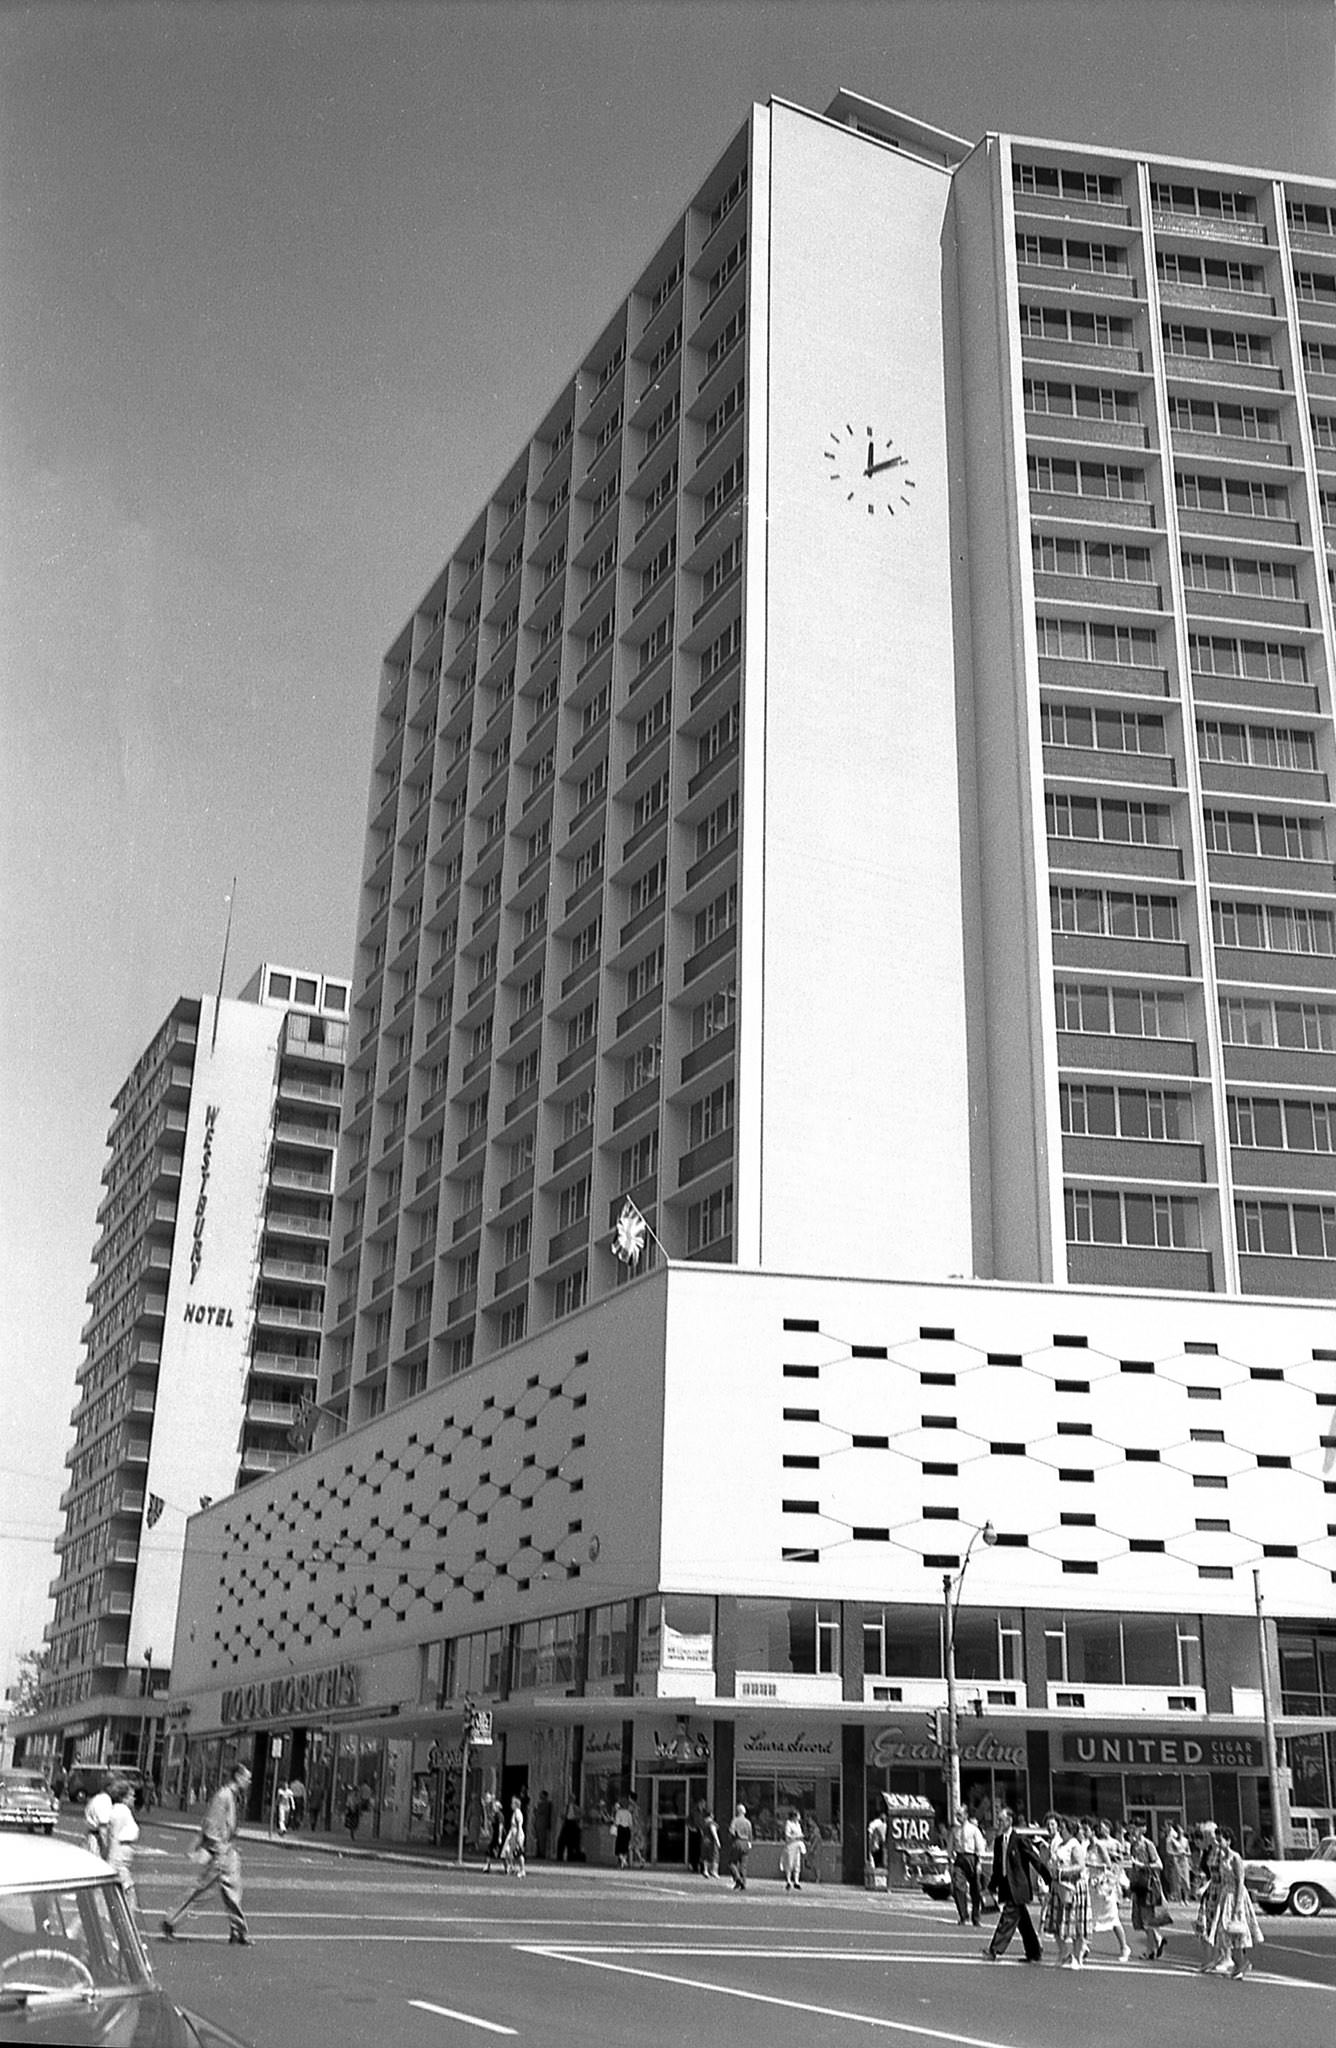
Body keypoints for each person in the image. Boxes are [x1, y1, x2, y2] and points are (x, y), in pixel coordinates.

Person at [162, 1761, 253, 1946]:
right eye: (247, 1778)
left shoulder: (234, 1796)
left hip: (229, 1850)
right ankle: (171, 1921)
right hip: (221, 1850)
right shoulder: (223, 1796)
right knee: (203, 1890)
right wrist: (218, 1846)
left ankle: (238, 1931)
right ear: (238, 1777)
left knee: (233, 1891)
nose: (249, 1782)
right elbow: (211, 1823)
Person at [1198, 1825, 1263, 1979]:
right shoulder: (1221, 1857)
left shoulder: (1235, 1858)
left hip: (1235, 1894)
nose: (1218, 1843)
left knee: (1235, 1930)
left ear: (1228, 1841)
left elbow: (1240, 1881)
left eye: (1221, 1840)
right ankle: (1237, 1962)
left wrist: (1237, 1904)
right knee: (1224, 1931)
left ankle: (1241, 1963)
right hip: (1224, 1894)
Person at [985, 1808, 1049, 1962]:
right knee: (1023, 1921)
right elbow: (997, 1866)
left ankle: (994, 1950)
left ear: (1009, 1821)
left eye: (1001, 1820)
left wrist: (1048, 1878)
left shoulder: (1020, 1840)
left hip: (1018, 1886)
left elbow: (1034, 1859)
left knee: (1008, 1917)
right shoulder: (999, 1841)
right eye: (998, 1820)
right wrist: (992, 1886)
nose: (999, 1823)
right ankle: (1034, 1952)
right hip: (1006, 1885)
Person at [1044, 1815, 1091, 1968]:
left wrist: (1063, 1872)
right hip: (1058, 1886)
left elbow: (1080, 1865)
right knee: (1056, 1921)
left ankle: (1077, 1957)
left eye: (1062, 1827)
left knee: (1076, 1923)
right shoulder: (1059, 1845)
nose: (1060, 1829)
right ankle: (1063, 1952)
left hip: (1073, 1887)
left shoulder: (1074, 1844)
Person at [1084, 1820, 1132, 1963]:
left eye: (1086, 1830)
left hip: (1103, 1885)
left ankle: (1124, 1947)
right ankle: (1084, 1947)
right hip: (1092, 1885)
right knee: (1089, 1917)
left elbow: (1108, 1865)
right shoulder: (1087, 1846)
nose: (1084, 1833)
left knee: (1112, 1918)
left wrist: (1090, 1865)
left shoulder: (1099, 1846)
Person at [1126, 1817, 1169, 1961]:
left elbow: (1159, 1864)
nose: (1132, 1831)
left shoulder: (1148, 1844)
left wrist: (1143, 1865)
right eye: (1131, 1828)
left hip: (1149, 1885)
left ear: (1143, 1829)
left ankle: (1150, 1950)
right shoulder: (1133, 1845)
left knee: (1148, 1919)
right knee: (1140, 1919)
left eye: (1135, 1828)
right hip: (1138, 1884)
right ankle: (1157, 1940)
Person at [105, 1778, 141, 1916]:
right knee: (129, 1898)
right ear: (123, 1797)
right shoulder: (121, 1812)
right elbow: (113, 1838)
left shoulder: (121, 1811)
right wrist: (111, 1865)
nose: (134, 1798)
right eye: (131, 1795)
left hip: (121, 1862)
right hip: (119, 1863)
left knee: (124, 1898)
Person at [950, 1812, 987, 1927]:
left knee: (976, 1889)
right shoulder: (955, 1830)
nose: (958, 1818)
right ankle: (963, 1916)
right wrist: (951, 1861)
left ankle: (976, 1917)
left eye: (960, 1815)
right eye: (957, 1815)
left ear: (966, 1815)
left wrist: (979, 1863)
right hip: (960, 1858)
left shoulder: (974, 1829)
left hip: (972, 1858)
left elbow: (980, 1847)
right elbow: (950, 1846)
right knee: (958, 1886)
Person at [84, 1779, 114, 1861]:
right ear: (109, 1787)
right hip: (97, 1840)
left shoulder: (96, 1798)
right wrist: (106, 1848)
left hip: (91, 1837)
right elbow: (103, 1827)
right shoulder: (105, 1800)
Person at [1162, 1819, 1190, 1903]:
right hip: (1176, 1860)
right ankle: (1180, 1899)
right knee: (1178, 1881)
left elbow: (1188, 1852)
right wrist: (1176, 1855)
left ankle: (1186, 1898)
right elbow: (1170, 1851)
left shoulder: (1185, 1840)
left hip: (1184, 1861)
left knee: (1186, 1881)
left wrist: (1185, 1853)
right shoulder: (1172, 1839)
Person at [728, 1802, 754, 1890]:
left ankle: (737, 1878)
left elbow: (731, 1831)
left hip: (737, 1841)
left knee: (732, 1863)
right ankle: (743, 1882)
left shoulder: (735, 1820)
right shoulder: (748, 1822)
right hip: (746, 1842)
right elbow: (750, 1834)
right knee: (743, 1865)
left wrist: (732, 1837)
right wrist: (749, 1842)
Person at [780, 1808, 806, 1890]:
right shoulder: (789, 1823)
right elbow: (787, 1836)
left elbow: (800, 1833)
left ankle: (796, 1881)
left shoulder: (798, 1824)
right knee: (789, 1863)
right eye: (798, 1815)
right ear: (794, 1816)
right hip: (790, 1845)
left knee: (797, 1863)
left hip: (797, 1845)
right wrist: (796, 1837)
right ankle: (788, 1881)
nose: (799, 1817)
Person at [502, 1795, 527, 1877]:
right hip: (512, 1833)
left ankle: (522, 1870)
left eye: (512, 1803)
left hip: (516, 1834)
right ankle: (512, 1867)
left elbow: (519, 1826)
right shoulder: (514, 1813)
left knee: (518, 1852)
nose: (511, 1805)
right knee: (508, 1851)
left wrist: (517, 1838)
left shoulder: (518, 1813)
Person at [613, 1794, 634, 1869]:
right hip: (627, 1830)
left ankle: (623, 1860)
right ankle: (623, 1862)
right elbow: (631, 1823)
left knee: (619, 1848)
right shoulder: (628, 1813)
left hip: (621, 1830)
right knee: (625, 1847)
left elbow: (617, 1822)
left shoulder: (618, 1812)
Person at [700, 1807, 721, 1878]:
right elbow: (713, 1832)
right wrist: (717, 1841)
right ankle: (714, 1871)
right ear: (711, 1815)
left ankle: (705, 1871)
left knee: (705, 1856)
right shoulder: (712, 1823)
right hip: (711, 1841)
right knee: (715, 1856)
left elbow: (702, 1832)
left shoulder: (704, 1823)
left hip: (704, 1840)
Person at [533, 1787, 553, 1860]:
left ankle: (542, 1853)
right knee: (538, 1838)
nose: (540, 1796)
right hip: (538, 1822)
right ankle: (538, 1852)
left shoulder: (546, 1804)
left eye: (541, 1795)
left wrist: (537, 1810)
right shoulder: (539, 1803)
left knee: (542, 1839)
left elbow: (541, 1812)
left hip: (543, 1823)